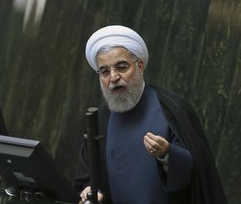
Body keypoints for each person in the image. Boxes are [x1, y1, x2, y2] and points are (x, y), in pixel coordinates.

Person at [74, 25, 227, 204]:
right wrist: (91, 193)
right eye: (105, 71)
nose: (113, 77)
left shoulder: (172, 109)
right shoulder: (99, 120)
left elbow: (197, 175)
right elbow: (87, 178)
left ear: (140, 66)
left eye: (121, 67)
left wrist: (167, 154)